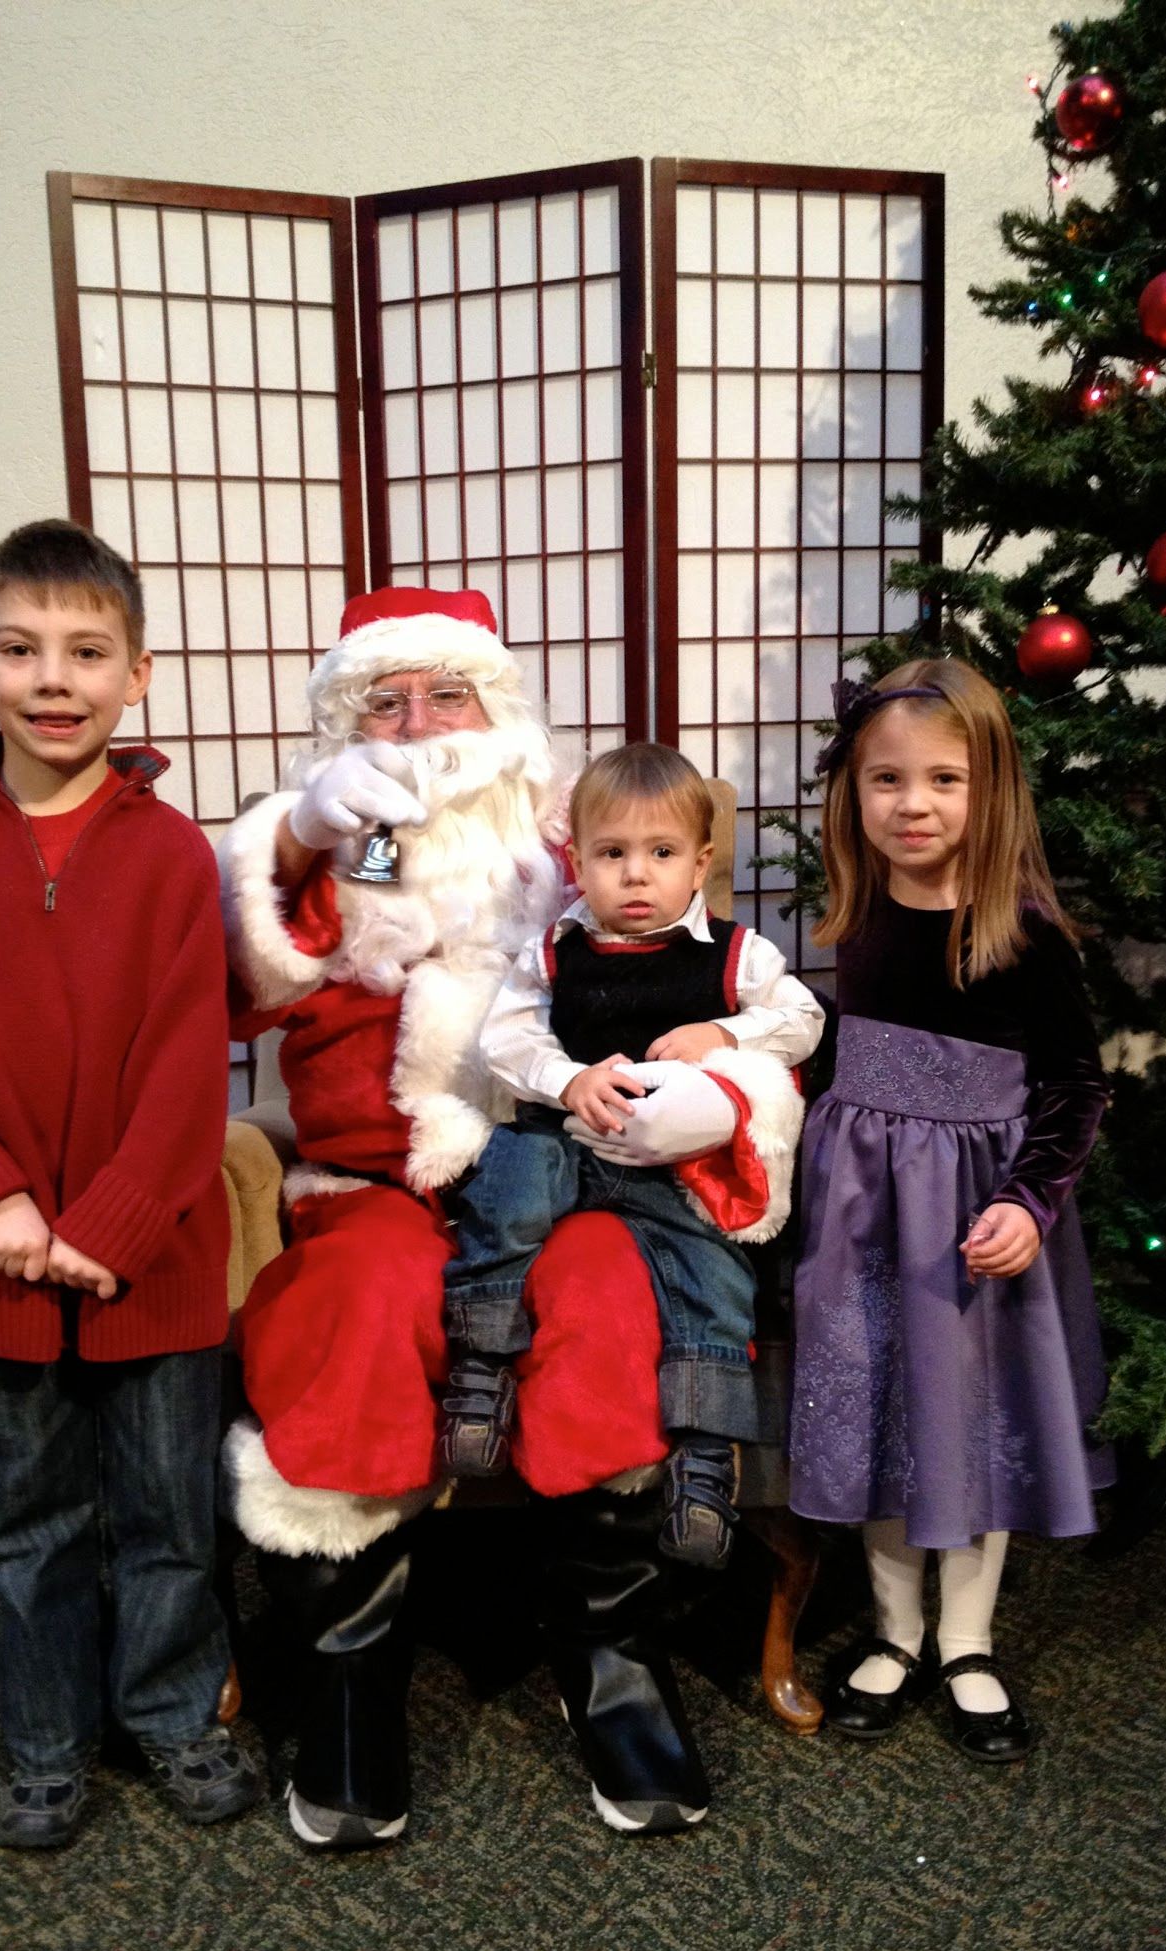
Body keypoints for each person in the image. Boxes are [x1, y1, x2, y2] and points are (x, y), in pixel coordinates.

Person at [218, 586, 797, 1845]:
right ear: (345, 726)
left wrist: (718, 1089)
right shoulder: (325, 855)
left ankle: (611, 1653)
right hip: (377, 1183)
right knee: (356, 1301)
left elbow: (732, 997)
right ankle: (350, 1672)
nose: (421, 724)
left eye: (449, 693)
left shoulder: (576, 846)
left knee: (607, 1294)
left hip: (576, 1172)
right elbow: (242, 986)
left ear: (500, 710)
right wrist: (305, 838)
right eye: (386, 701)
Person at [0, 519, 263, 1848]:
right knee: (23, 1519)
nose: (53, 678)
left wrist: (120, 1220)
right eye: (22, 649)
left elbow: (189, 1063)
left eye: (87, 652)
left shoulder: (172, 853)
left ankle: (171, 1711)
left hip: (155, 1265)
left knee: (167, 1513)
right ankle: (44, 1737)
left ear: (136, 675)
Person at [789, 659, 1114, 1763]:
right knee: (882, 1409)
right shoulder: (860, 916)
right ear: (854, 790)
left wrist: (1028, 1201)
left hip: (975, 1224)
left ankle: (968, 1642)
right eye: (887, 779)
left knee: (966, 1421)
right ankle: (898, 1629)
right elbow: (845, 1053)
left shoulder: (1023, 933)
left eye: (943, 779)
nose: (913, 804)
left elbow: (1076, 1087)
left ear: (992, 789)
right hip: (863, 1217)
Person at [439, 741, 823, 1574]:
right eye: (612, 854)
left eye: (662, 853)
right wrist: (568, 1080)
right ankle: (482, 1358)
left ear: (701, 862)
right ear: (578, 862)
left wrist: (724, 1033)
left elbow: (803, 1019)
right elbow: (506, 1039)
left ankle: (706, 1457)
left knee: (714, 1277)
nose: (637, 875)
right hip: (568, 1140)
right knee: (510, 1181)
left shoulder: (738, 954)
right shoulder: (555, 947)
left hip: (672, 1166)